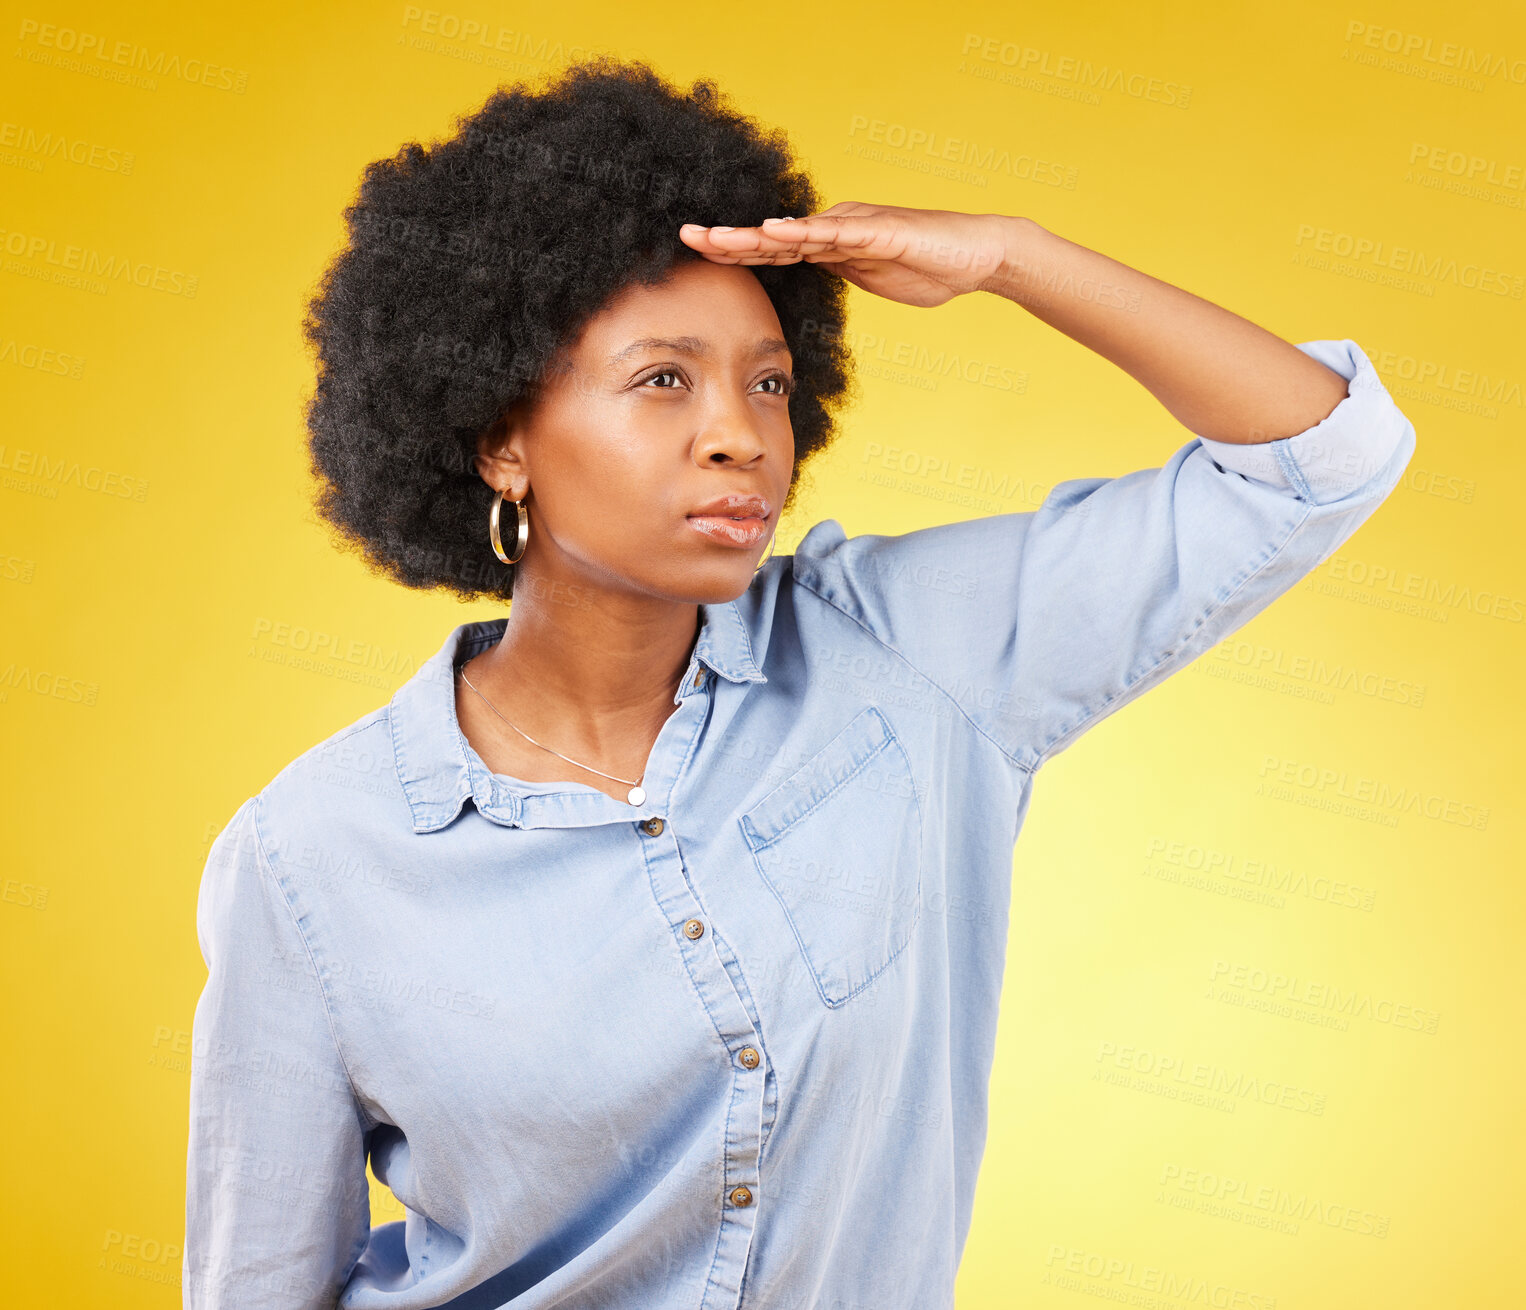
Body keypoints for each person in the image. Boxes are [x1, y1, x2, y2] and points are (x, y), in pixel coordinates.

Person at [182, 55, 1416, 1310]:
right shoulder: (311, 858)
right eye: (663, 379)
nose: (740, 432)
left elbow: (1319, 455)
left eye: (766, 381)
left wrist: (1008, 256)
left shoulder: (910, 655)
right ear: (501, 439)